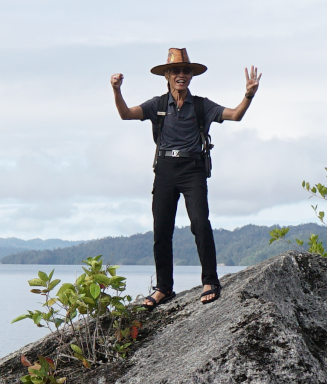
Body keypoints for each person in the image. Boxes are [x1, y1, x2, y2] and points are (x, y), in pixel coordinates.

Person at [110, 49, 260, 306]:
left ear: (191, 76)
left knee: (200, 223)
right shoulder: (157, 105)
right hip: (165, 168)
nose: (181, 75)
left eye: (186, 71)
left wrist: (248, 95)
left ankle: (210, 280)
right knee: (161, 230)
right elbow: (125, 114)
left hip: (193, 168)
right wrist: (116, 90)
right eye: (176, 71)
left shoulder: (202, 105)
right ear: (167, 75)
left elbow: (235, 115)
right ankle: (164, 288)